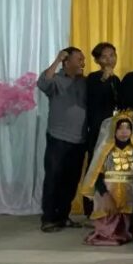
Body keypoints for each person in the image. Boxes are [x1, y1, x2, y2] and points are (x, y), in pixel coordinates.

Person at [36, 47, 88, 233]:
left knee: (71, 181)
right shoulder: (56, 79)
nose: (83, 63)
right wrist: (57, 59)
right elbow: (43, 83)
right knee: (53, 178)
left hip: (80, 140)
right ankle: (49, 218)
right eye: (79, 59)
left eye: (83, 59)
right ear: (67, 61)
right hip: (58, 138)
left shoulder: (84, 82)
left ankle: (63, 216)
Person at [82, 111, 133, 246]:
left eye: (127, 128)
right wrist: (105, 195)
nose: (124, 132)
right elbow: (97, 175)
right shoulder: (105, 150)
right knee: (108, 229)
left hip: (129, 193)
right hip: (107, 193)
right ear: (113, 130)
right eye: (120, 128)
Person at [84, 42, 120, 165]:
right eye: (104, 57)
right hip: (98, 128)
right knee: (96, 164)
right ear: (97, 60)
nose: (109, 60)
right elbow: (93, 98)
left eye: (112, 55)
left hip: (114, 127)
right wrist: (104, 78)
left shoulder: (116, 79)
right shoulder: (93, 77)